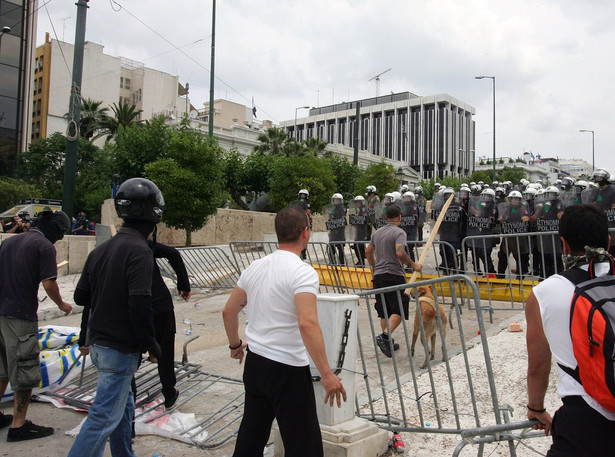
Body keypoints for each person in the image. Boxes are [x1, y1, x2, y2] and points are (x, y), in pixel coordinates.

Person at [222, 206, 347, 457]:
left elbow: (228, 311)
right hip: (287, 368)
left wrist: (235, 345)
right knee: (304, 445)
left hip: (256, 364)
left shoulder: (255, 266)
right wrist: (326, 372)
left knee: (252, 435)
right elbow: (307, 323)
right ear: (305, 233)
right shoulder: (302, 272)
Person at [68, 178, 164, 457]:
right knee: (102, 418)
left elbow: (80, 297)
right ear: (154, 213)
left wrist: (109, 293)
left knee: (124, 407)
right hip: (119, 348)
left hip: (99, 344)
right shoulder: (139, 251)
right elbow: (139, 305)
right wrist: (152, 344)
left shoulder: (101, 250)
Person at [526, 204, 615, 456]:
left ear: (563, 244)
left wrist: (536, 407)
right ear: (608, 242)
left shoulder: (544, 293)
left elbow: (537, 366)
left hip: (587, 415)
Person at [0, 209, 72, 441]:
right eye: (60, 232)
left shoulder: (11, 242)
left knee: (1, 368)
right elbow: (49, 284)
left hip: (1, 312)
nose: (60, 238)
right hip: (20, 315)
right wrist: (62, 306)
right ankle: (18, 426)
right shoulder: (44, 246)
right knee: (24, 370)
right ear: (53, 228)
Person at [366, 204, 423, 358]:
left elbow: (368, 252)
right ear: (399, 217)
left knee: (385, 311)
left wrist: (374, 266)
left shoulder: (377, 233)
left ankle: (388, 341)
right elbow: (399, 252)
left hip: (379, 276)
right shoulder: (399, 232)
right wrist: (413, 265)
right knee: (399, 309)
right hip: (394, 275)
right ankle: (384, 337)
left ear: (386, 218)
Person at [149, 241, 191, 408]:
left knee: (133, 351)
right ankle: (169, 391)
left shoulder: (111, 248)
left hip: (134, 305)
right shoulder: (143, 244)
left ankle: (130, 398)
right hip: (158, 303)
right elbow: (173, 253)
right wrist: (184, 284)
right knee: (165, 350)